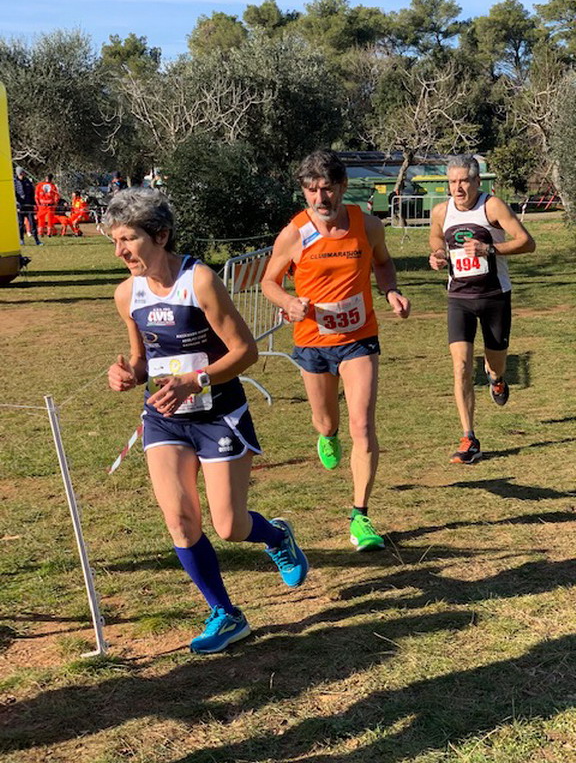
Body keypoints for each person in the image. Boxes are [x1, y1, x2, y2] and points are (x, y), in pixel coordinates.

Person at [105, 189, 307, 655]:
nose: (120, 252)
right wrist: (128, 374)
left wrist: (195, 381)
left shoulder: (199, 282)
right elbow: (142, 360)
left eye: (129, 239)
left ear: (160, 235)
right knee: (180, 521)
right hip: (165, 420)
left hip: (219, 416)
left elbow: (246, 351)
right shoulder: (126, 294)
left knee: (230, 526)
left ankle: (276, 536)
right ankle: (225, 613)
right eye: (115, 241)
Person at [261, 149, 410, 552]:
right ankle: (327, 434)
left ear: (342, 187)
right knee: (327, 422)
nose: (320, 198)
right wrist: (288, 302)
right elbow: (269, 281)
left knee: (362, 425)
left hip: (359, 338)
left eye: (327, 189)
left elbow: (383, 263)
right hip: (313, 342)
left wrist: (391, 291)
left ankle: (360, 516)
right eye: (311, 190)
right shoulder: (295, 233)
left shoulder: (367, 225)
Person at [428, 154, 536, 464]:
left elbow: (527, 242)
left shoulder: (492, 207)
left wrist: (489, 249)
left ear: (477, 181)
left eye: (464, 181)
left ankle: (496, 378)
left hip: (494, 296)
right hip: (459, 298)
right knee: (461, 365)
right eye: (452, 182)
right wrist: (438, 254)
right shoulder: (441, 211)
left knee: (495, 363)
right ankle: (469, 438)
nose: (458, 188)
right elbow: (436, 237)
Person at [14, 166, 42, 246]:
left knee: (32, 223)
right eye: (22, 173)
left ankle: (37, 240)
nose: (23, 174)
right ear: (19, 173)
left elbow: (32, 193)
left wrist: (34, 204)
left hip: (29, 205)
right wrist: (16, 205)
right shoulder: (14, 182)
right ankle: (21, 239)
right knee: (20, 224)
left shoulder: (28, 181)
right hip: (20, 206)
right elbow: (14, 194)